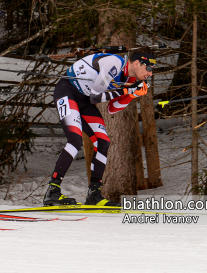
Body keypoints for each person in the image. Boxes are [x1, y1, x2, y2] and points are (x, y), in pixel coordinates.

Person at [43, 49, 156, 206]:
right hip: (68, 91)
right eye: (149, 69)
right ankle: (53, 191)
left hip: (84, 100)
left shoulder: (128, 77)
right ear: (137, 63)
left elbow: (112, 108)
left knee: (103, 142)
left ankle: (94, 194)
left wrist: (132, 95)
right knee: (75, 140)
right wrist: (127, 90)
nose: (150, 74)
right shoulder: (114, 63)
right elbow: (96, 96)